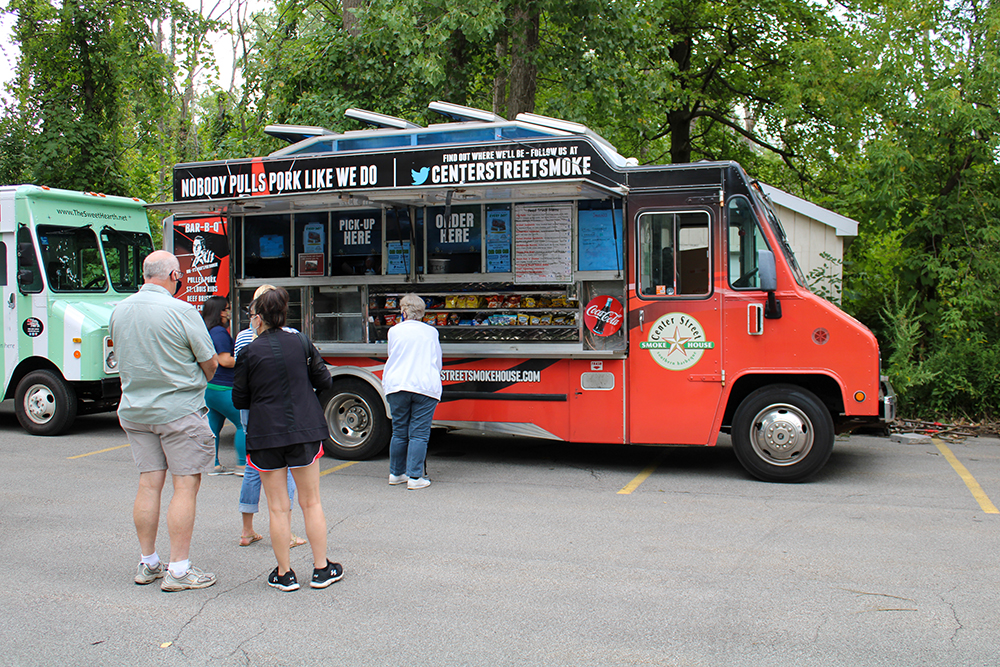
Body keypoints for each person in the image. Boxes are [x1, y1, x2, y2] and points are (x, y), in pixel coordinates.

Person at [109, 250, 219, 592]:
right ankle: (180, 569)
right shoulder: (182, 310)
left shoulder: (119, 310)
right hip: (178, 411)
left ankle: (149, 563)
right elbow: (210, 362)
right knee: (185, 486)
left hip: (135, 410)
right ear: (174, 276)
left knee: (148, 484)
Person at [232, 287, 342, 592]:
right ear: (284, 313)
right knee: (311, 502)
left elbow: (239, 398)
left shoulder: (249, 352)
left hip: (265, 433)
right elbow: (325, 381)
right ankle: (321, 569)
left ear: (258, 317)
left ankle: (284, 573)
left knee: (278, 508)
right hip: (303, 430)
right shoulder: (302, 342)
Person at [234, 284, 306, 550]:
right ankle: (285, 532)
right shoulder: (293, 336)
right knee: (284, 467)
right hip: (279, 412)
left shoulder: (242, 337)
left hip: (250, 411)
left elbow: (240, 378)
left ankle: (246, 530)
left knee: (254, 468)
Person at [382, 293, 442, 490]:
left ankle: (396, 473)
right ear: (422, 312)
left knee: (399, 432)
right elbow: (437, 361)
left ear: (403, 311)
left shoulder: (394, 331)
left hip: (397, 385)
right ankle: (415, 477)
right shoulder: (431, 332)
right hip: (424, 386)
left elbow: (393, 355)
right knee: (419, 434)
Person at [201, 295, 246, 476]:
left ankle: (213, 464)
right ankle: (243, 466)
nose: (229, 312)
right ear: (219, 312)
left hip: (210, 388)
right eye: (226, 308)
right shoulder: (219, 332)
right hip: (225, 388)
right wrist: (247, 359)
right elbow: (225, 360)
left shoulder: (207, 330)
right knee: (243, 424)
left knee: (213, 428)